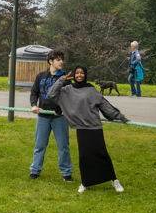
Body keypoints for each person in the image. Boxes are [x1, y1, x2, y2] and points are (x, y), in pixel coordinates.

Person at [49, 65, 127, 193]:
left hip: (94, 127)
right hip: (81, 128)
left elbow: (105, 105)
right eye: (77, 73)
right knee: (84, 157)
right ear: (74, 75)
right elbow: (51, 94)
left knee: (102, 155)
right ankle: (85, 182)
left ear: (85, 75)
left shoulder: (91, 90)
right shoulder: (67, 89)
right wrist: (62, 80)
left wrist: (120, 117)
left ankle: (114, 180)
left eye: (82, 73)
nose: (79, 75)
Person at [28, 49, 73, 181]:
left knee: (63, 146)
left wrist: (60, 109)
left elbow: (68, 98)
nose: (61, 62)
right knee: (39, 145)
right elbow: (34, 92)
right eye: (58, 59)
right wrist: (33, 105)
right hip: (43, 117)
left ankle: (66, 173)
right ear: (50, 61)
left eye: (62, 59)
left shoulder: (65, 78)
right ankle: (35, 170)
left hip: (59, 118)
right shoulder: (41, 76)